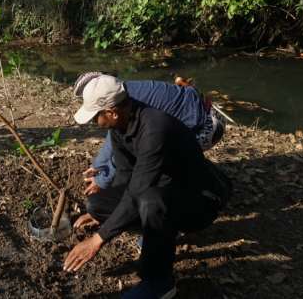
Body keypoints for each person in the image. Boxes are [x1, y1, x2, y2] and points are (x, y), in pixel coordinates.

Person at [63, 75, 232, 299]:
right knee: (97, 204)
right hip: (163, 191)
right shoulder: (120, 127)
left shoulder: (154, 129)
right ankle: (159, 234)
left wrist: (97, 240)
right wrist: (109, 214)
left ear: (111, 112)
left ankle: (159, 282)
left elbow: (137, 192)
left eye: (96, 118)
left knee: (151, 201)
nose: (95, 123)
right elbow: (125, 175)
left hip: (200, 200)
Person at [74, 72, 227, 195]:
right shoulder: (120, 94)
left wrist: (102, 181)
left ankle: (211, 186)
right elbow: (113, 136)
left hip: (208, 124)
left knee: (156, 162)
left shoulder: (124, 101)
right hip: (201, 113)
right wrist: (98, 165)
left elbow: (127, 150)